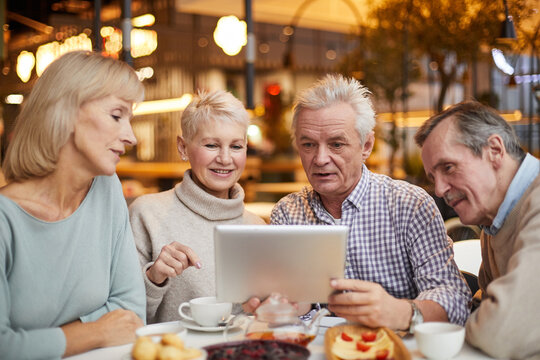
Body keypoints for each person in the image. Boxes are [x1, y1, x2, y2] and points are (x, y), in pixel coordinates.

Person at [255, 74, 471, 332]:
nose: (320, 158)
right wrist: (283, 304)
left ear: (366, 145)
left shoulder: (410, 205)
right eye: (309, 144)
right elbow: (291, 303)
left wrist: (400, 311)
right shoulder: (288, 213)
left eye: (336, 144)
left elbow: (456, 298)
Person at [0, 51, 146, 359]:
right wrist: (96, 331)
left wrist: (36, 342)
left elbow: (131, 312)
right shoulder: (5, 220)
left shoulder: (106, 189)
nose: (131, 136)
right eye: (117, 115)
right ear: (65, 112)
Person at [415, 100, 540, 359]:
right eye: (432, 178)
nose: (439, 190)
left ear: (494, 150)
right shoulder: (492, 220)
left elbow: (502, 333)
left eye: (448, 167)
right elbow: (485, 304)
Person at [129, 90, 265, 324]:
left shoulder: (258, 227)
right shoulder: (146, 213)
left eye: (236, 146)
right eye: (211, 145)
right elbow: (127, 317)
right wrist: (154, 277)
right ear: (183, 147)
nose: (225, 158)